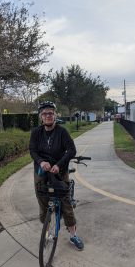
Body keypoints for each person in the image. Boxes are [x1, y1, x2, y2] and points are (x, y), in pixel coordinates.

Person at [29, 101, 84, 250]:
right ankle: (46, 233)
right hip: (42, 172)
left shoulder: (62, 132)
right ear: (41, 116)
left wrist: (59, 165)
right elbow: (32, 150)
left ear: (55, 115)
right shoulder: (36, 133)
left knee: (65, 203)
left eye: (51, 113)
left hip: (59, 171)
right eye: (45, 113)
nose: (48, 116)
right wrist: (41, 162)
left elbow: (71, 150)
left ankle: (73, 236)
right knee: (43, 202)